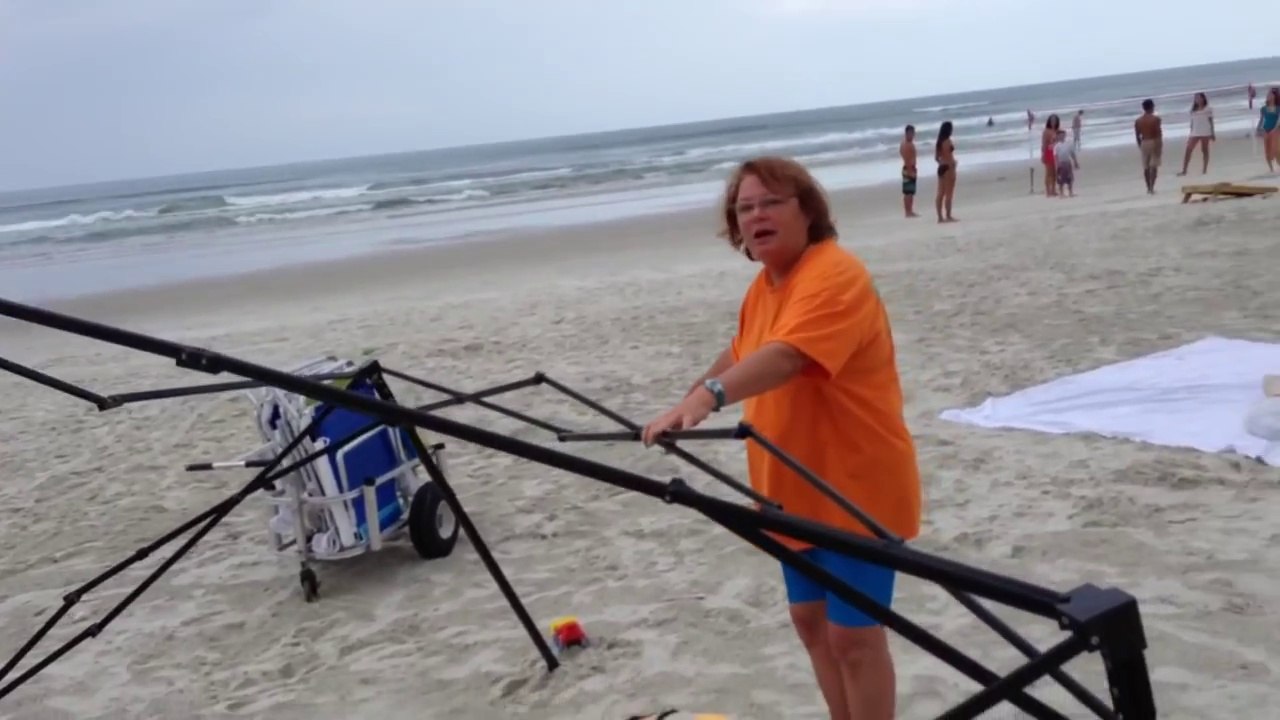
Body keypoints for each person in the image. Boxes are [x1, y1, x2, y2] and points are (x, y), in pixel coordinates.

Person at [641, 156, 922, 720]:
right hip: (790, 488)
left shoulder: (833, 274)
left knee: (855, 640)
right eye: (744, 208)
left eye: (771, 202)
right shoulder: (765, 287)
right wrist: (685, 401)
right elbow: (746, 348)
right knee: (811, 623)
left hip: (853, 489)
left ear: (807, 211)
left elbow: (788, 356)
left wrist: (707, 398)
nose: (756, 215)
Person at [1177, 92, 1215, 176]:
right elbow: (1192, 122)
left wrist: (1212, 133)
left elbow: (1211, 122)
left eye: (1198, 98)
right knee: (1188, 149)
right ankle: (1184, 170)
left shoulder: (1208, 109)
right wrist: (1190, 132)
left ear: (1203, 98)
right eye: (1196, 98)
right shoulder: (1193, 110)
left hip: (1205, 131)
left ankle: (1204, 170)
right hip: (1195, 132)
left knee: (1204, 150)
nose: (1197, 99)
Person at [1134, 99, 1163, 194]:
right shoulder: (1156, 119)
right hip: (1153, 141)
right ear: (1152, 107)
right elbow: (1158, 134)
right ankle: (1152, 187)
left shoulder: (1138, 121)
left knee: (1146, 167)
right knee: (1153, 166)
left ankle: (1148, 187)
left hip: (1144, 142)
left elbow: (1137, 135)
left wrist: (1140, 145)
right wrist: (1159, 146)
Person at [935, 121, 958, 223]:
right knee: (949, 193)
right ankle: (948, 216)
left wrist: (942, 163)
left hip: (941, 167)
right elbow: (949, 156)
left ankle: (940, 217)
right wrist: (952, 164)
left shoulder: (939, 142)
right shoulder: (947, 141)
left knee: (940, 193)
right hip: (949, 168)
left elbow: (936, 158)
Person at [899, 125, 919, 218]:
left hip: (908, 168)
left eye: (913, 133)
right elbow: (907, 159)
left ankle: (909, 210)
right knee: (909, 192)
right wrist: (911, 170)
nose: (913, 135)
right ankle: (908, 211)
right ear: (907, 133)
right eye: (911, 133)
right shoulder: (907, 144)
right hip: (908, 168)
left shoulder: (904, 144)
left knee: (909, 192)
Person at [1041, 114, 1061, 196]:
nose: (1053, 122)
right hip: (1048, 152)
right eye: (1052, 120)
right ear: (1049, 121)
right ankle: (1048, 191)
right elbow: (1044, 144)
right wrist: (1043, 155)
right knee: (1048, 173)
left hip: (1056, 152)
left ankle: (1053, 190)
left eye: (1055, 120)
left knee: (1055, 173)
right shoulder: (1046, 131)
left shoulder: (1057, 131)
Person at [1054, 129, 1076, 198]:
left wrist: (1075, 161)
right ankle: (1061, 193)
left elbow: (1072, 153)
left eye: (1063, 135)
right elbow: (1056, 156)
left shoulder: (1068, 144)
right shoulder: (1057, 146)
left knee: (1070, 178)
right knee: (1061, 179)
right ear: (1057, 136)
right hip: (1061, 163)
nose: (1062, 136)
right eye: (1060, 135)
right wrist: (1057, 165)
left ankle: (1070, 192)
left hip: (1067, 162)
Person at [1262, 88, 1279, 173]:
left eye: (1270, 94)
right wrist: (1259, 129)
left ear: (1274, 96)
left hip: (1275, 131)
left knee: (1276, 150)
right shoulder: (1264, 108)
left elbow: (1279, 120)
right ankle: (1271, 169)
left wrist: (1274, 129)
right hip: (1266, 130)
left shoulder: (1278, 108)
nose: (1268, 95)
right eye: (1268, 94)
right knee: (1267, 150)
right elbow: (1262, 120)